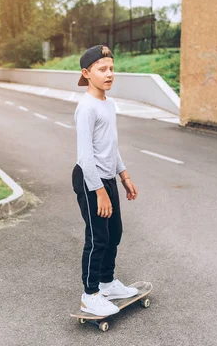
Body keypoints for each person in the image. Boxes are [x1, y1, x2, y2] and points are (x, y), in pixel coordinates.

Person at [71, 44, 139, 316]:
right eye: (102, 69)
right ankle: (90, 294)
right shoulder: (86, 108)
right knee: (97, 238)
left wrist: (124, 176)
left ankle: (108, 283)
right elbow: (85, 156)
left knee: (114, 234)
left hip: (107, 178)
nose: (109, 74)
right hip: (90, 180)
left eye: (111, 68)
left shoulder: (108, 104)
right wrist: (99, 191)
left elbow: (111, 146)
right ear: (87, 73)